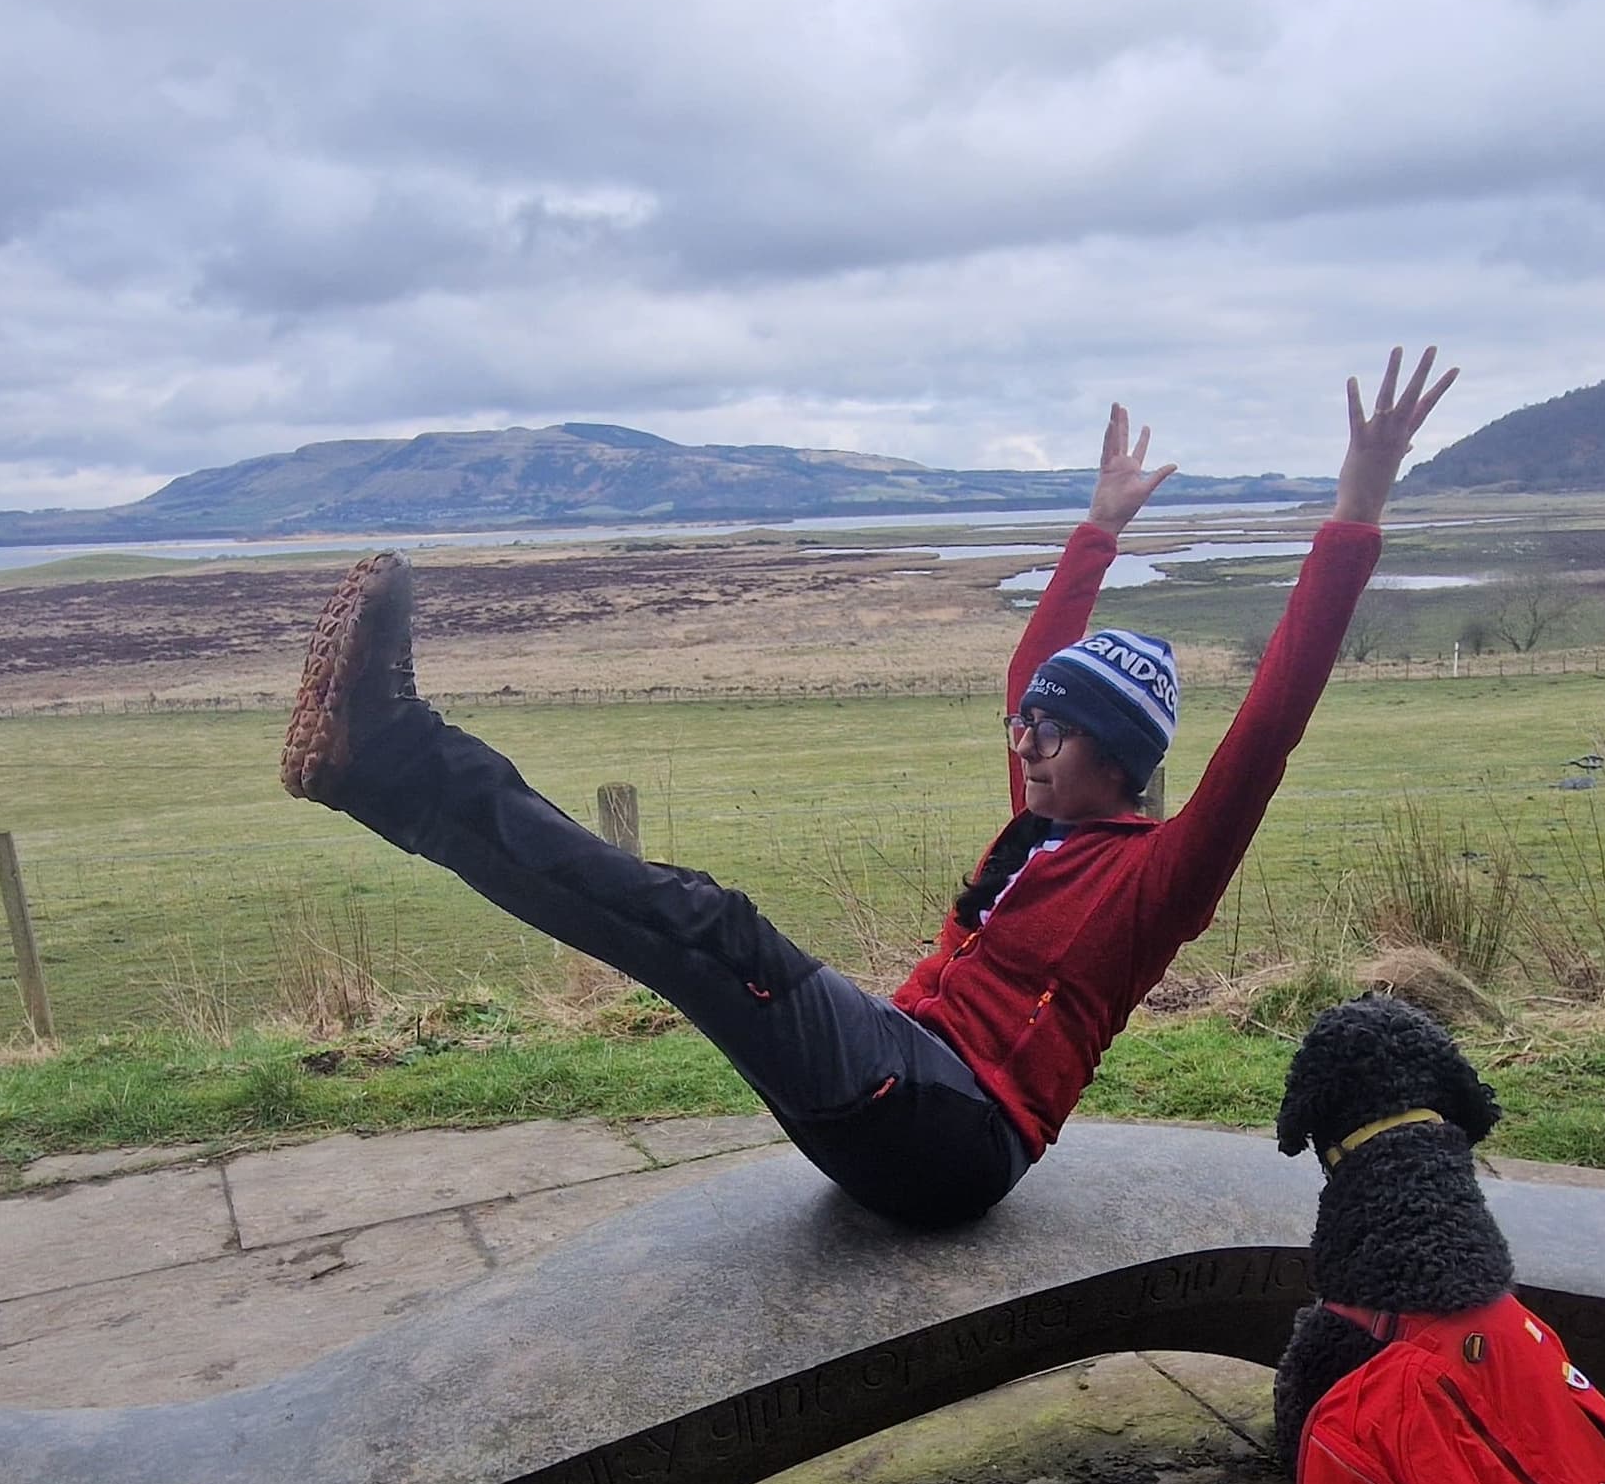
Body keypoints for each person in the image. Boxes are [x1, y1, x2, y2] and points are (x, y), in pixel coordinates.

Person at [279, 349, 1459, 1229]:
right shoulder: (1038, 823)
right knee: (680, 941)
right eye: (1026, 725)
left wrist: (1355, 507)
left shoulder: (1155, 878)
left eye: (1052, 729)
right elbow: (1026, 663)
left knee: (708, 927)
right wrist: (1095, 531)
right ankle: (391, 779)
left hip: (954, 1133)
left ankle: (398, 760)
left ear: (1119, 761)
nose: (1027, 739)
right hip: (899, 1086)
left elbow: (1269, 728)